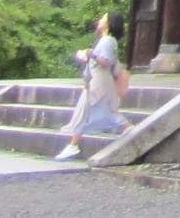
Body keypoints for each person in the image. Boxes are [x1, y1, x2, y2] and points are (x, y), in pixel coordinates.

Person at [53, 12, 127, 159]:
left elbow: (106, 62)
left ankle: (73, 146)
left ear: (109, 23)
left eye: (103, 19)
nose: (99, 21)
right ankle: (73, 145)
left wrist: (91, 54)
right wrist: (88, 56)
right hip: (98, 79)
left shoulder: (107, 41)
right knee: (99, 110)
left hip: (99, 80)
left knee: (87, 110)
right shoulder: (106, 40)